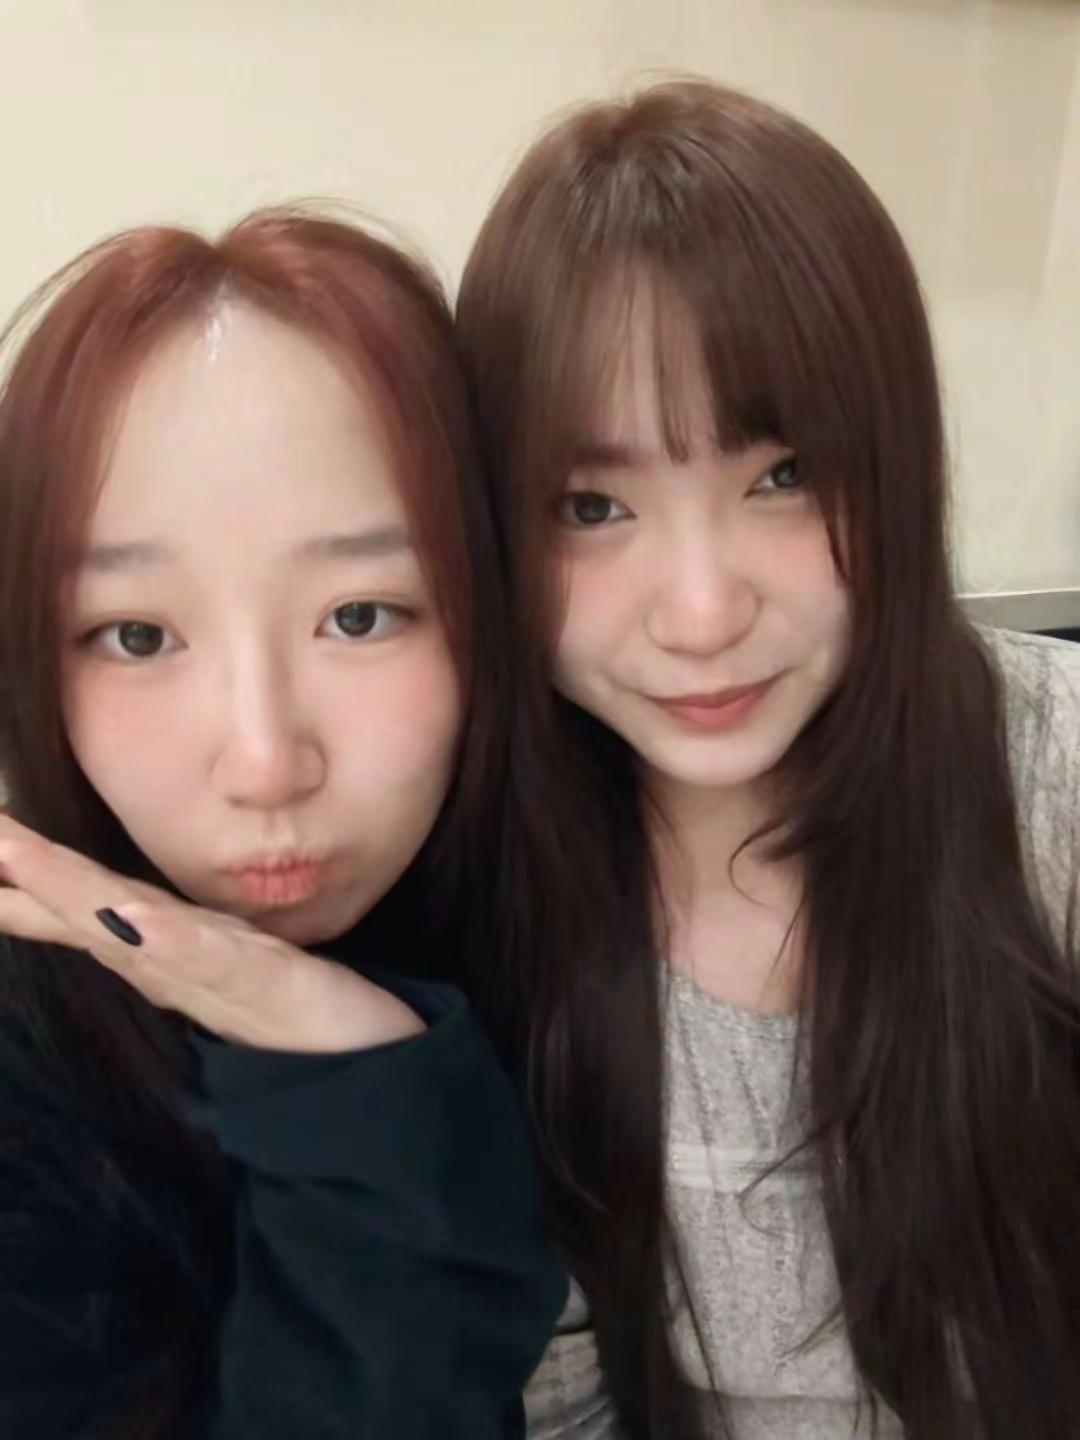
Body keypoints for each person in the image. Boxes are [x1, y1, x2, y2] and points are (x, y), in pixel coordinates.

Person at [456, 80, 1080, 1439]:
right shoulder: (491, 895)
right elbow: (555, 1393)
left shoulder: (1053, 784)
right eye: (592, 505)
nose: (701, 614)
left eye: (784, 475)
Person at [0, 209, 565, 1439]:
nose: (265, 764)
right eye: (137, 635)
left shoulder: (579, 921)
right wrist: (366, 1109)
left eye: (360, 616)